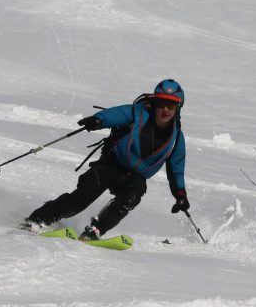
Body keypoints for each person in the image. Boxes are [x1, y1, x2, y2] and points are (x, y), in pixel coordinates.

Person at [24, 79, 189, 241]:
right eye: (161, 104)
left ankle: (95, 230)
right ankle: (37, 220)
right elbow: (117, 114)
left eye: (171, 105)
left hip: (134, 177)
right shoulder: (138, 114)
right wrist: (98, 120)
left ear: (178, 108)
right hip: (111, 164)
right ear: (154, 104)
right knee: (81, 199)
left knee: (134, 193)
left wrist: (180, 194)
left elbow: (176, 169)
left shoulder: (176, 138)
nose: (165, 109)